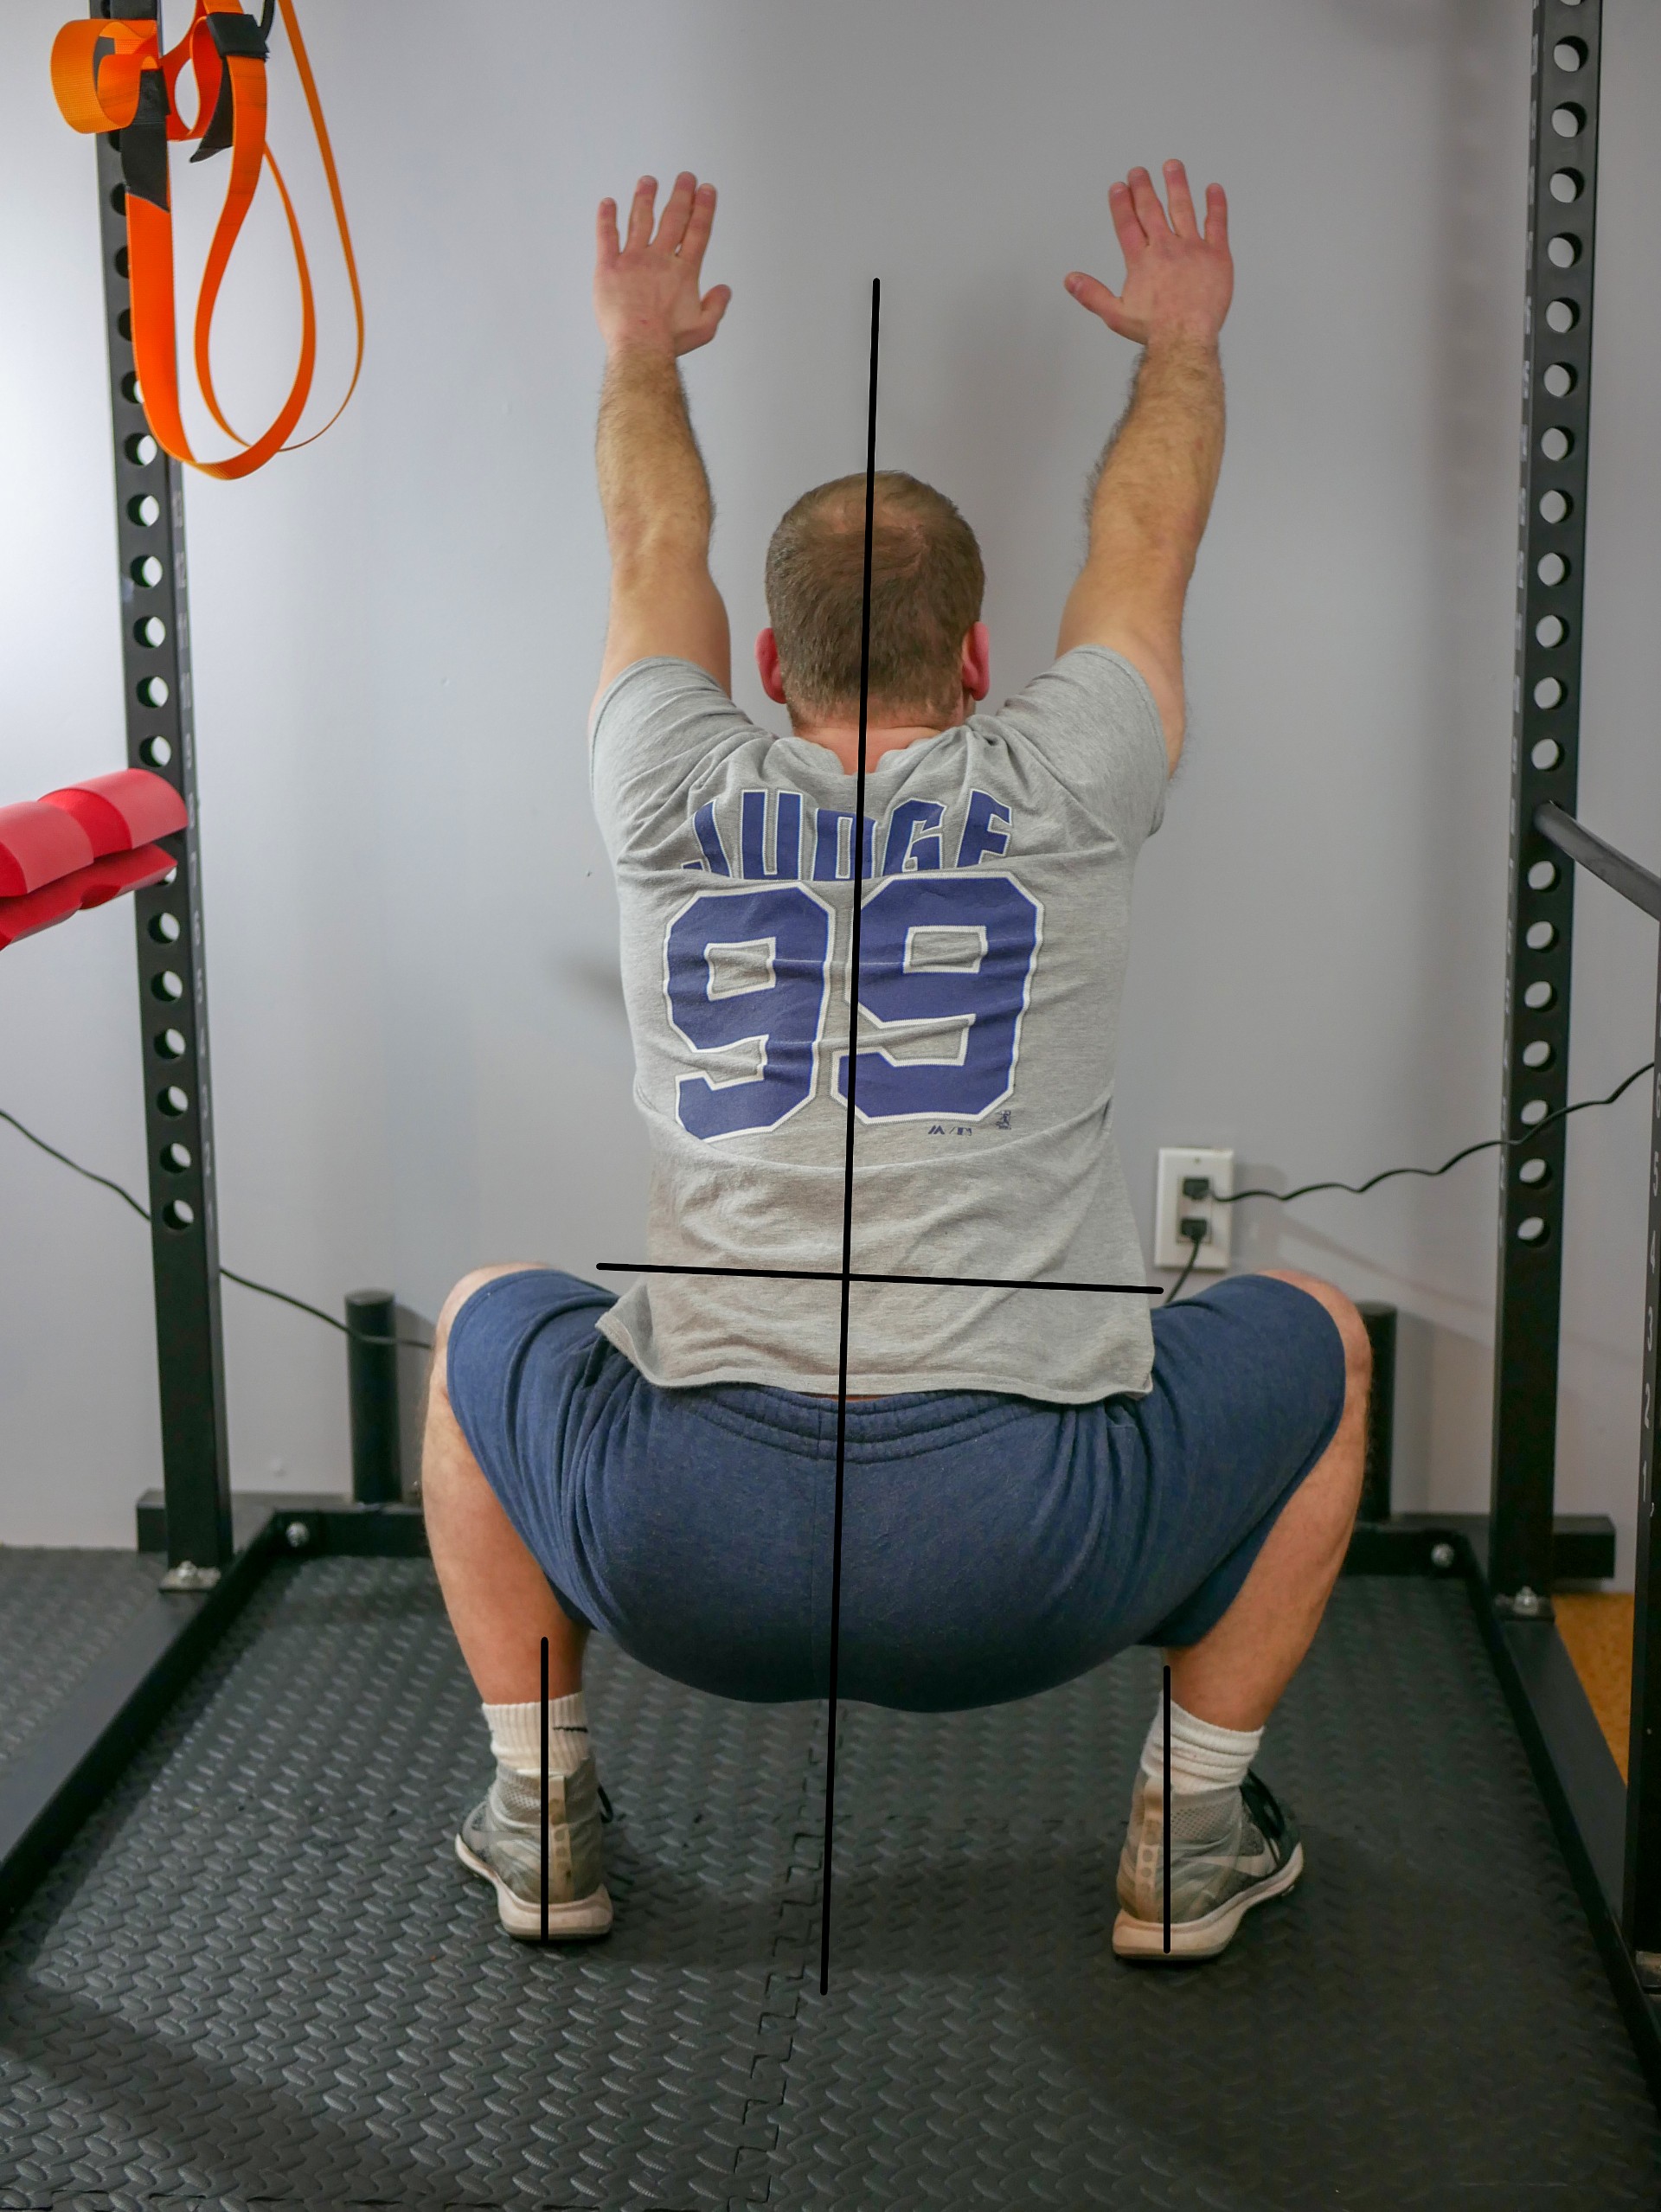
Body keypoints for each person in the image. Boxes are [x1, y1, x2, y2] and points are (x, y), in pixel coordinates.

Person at [424, 162, 1370, 1961]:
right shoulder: (1074, 767)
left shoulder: (661, 780)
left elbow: (650, 551)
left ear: (766, 664)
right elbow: (1147, 540)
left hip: (683, 1546)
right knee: (1317, 1340)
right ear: (987, 659)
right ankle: (1194, 1828)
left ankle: (540, 1812)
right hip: (1024, 1562)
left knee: (481, 1330)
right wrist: (1183, 339)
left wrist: (640, 352)